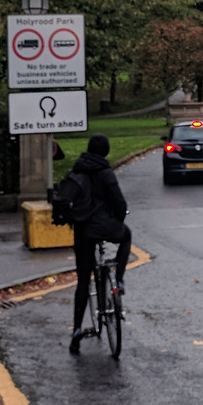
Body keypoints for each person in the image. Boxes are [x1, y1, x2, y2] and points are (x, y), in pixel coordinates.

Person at [69, 135, 132, 353]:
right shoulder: (105, 173)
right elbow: (120, 203)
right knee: (126, 236)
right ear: (105, 151)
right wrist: (117, 221)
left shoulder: (77, 171)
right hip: (106, 226)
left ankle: (77, 330)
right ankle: (119, 280)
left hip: (83, 231)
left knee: (83, 282)